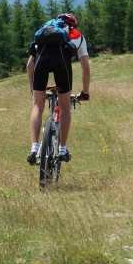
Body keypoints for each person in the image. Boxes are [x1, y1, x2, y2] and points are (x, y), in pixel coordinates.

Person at [26, 13, 91, 165]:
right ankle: (62, 150)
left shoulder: (44, 33)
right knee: (64, 107)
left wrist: (33, 89)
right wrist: (85, 93)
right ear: (72, 25)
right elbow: (86, 70)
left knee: (37, 105)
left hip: (41, 63)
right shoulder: (77, 35)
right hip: (61, 62)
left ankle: (34, 148)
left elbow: (29, 66)